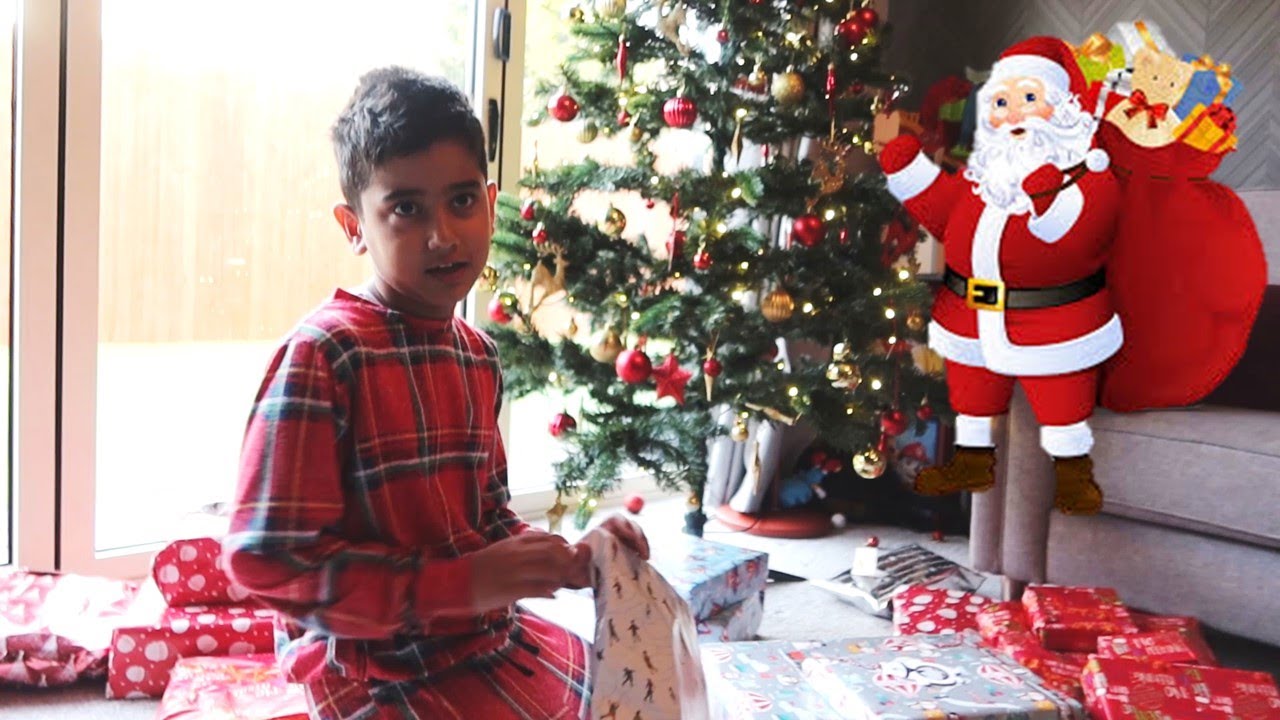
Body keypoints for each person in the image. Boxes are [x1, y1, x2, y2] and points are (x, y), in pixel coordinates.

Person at [222, 67, 649, 720]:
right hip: (371, 665)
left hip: (476, 634)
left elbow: (484, 519)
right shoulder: (326, 354)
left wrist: (571, 557)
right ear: (354, 225)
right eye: (406, 208)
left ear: (491, 199)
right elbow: (267, 561)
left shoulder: (476, 355)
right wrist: (461, 583)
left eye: (461, 200)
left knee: (630, 697)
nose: (443, 235)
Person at [876, 37, 1122, 515]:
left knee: (1061, 400)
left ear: (1063, 108)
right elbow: (948, 215)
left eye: (1029, 99)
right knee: (970, 396)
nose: (1014, 114)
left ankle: (1073, 473)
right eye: (1002, 102)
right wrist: (911, 173)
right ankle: (972, 462)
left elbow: (1079, 236)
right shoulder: (982, 179)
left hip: (1052, 321)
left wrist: (1048, 196)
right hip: (970, 313)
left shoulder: (1088, 174)